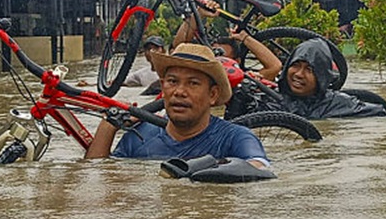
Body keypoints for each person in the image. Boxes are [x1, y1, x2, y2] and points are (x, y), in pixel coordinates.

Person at [87, 43, 276, 181]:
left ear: (213, 94)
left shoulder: (235, 137)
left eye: (193, 83)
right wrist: (107, 127)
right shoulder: (139, 136)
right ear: (162, 87)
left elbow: (260, 167)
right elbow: (95, 179)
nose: (179, 92)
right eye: (172, 81)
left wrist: (198, 169)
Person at [276, 36, 386, 119]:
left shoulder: (338, 104)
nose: (299, 74)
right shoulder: (272, 99)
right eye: (295, 65)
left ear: (321, 77)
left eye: (309, 70)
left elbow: (382, 115)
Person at [174, 0, 282, 82]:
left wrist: (245, 38)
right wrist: (198, 15)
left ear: (237, 62)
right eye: (215, 56)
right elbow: (178, 48)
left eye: (223, 56)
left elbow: (274, 66)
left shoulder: (246, 82)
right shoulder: (202, 80)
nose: (220, 62)